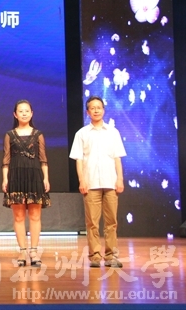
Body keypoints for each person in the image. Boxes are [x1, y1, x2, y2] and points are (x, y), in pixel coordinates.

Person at [70, 95, 126, 268]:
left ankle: (111, 256)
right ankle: (94, 256)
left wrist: (120, 179)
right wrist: (82, 180)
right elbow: (78, 159)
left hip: (111, 182)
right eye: (92, 108)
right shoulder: (82, 133)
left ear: (103, 110)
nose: (96, 110)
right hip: (91, 182)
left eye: (99, 107)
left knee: (111, 222)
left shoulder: (113, 132)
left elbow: (117, 158)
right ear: (87, 112)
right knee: (92, 222)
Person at [2, 99, 51, 267]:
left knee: (35, 216)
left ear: (32, 113)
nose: (24, 114)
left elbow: (43, 159)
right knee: (18, 216)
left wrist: (46, 178)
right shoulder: (9, 135)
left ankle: (34, 251)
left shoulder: (38, 134)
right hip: (15, 177)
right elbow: (6, 159)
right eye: (20, 111)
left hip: (34, 176)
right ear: (15, 114)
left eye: (27, 111)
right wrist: (5, 179)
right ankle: (22, 251)